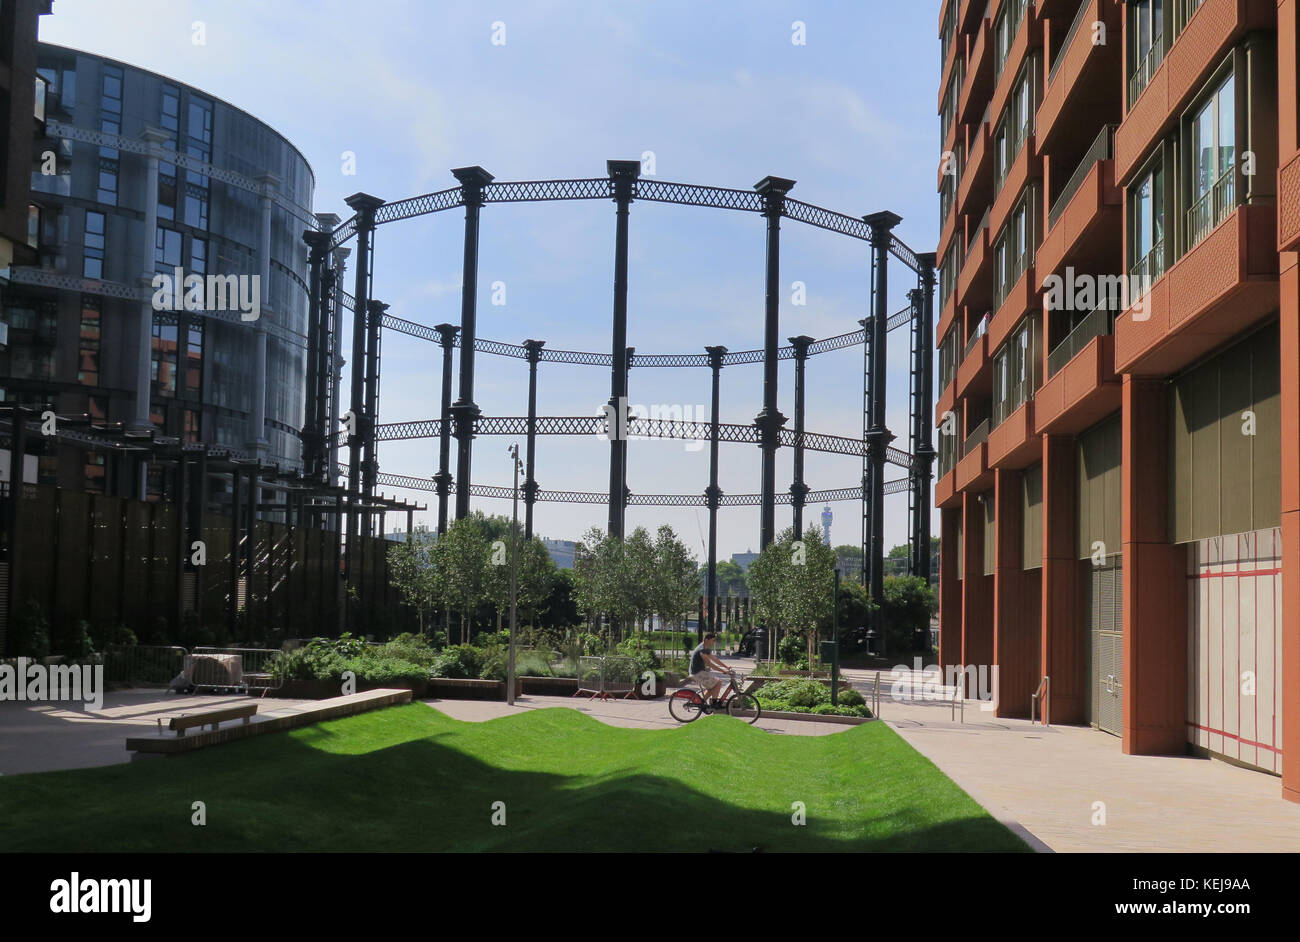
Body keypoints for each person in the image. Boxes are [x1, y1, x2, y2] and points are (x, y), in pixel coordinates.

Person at [687, 633, 731, 705]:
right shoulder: (701, 650)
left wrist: (726, 667)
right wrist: (724, 671)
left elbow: (714, 659)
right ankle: (714, 704)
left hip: (699, 673)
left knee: (713, 688)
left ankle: (701, 703)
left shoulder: (705, 647)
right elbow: (710, 664)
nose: (714, 643)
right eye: (713, 640)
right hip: (697, 674)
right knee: (718, 683)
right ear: (706, 640)